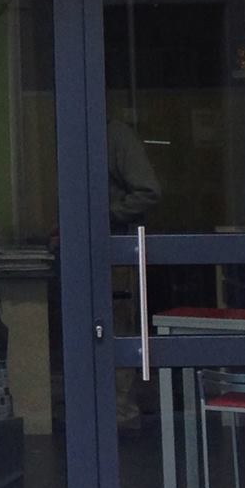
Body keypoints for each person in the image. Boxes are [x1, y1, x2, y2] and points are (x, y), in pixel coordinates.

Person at [107, 113, 162, 430]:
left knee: (118, 326)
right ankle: (112, 408)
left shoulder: (116, 135)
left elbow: (148, 191)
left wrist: (105, 214)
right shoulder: (95, 135)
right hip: (101, 247)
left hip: (117, 248)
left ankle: (121, 410)